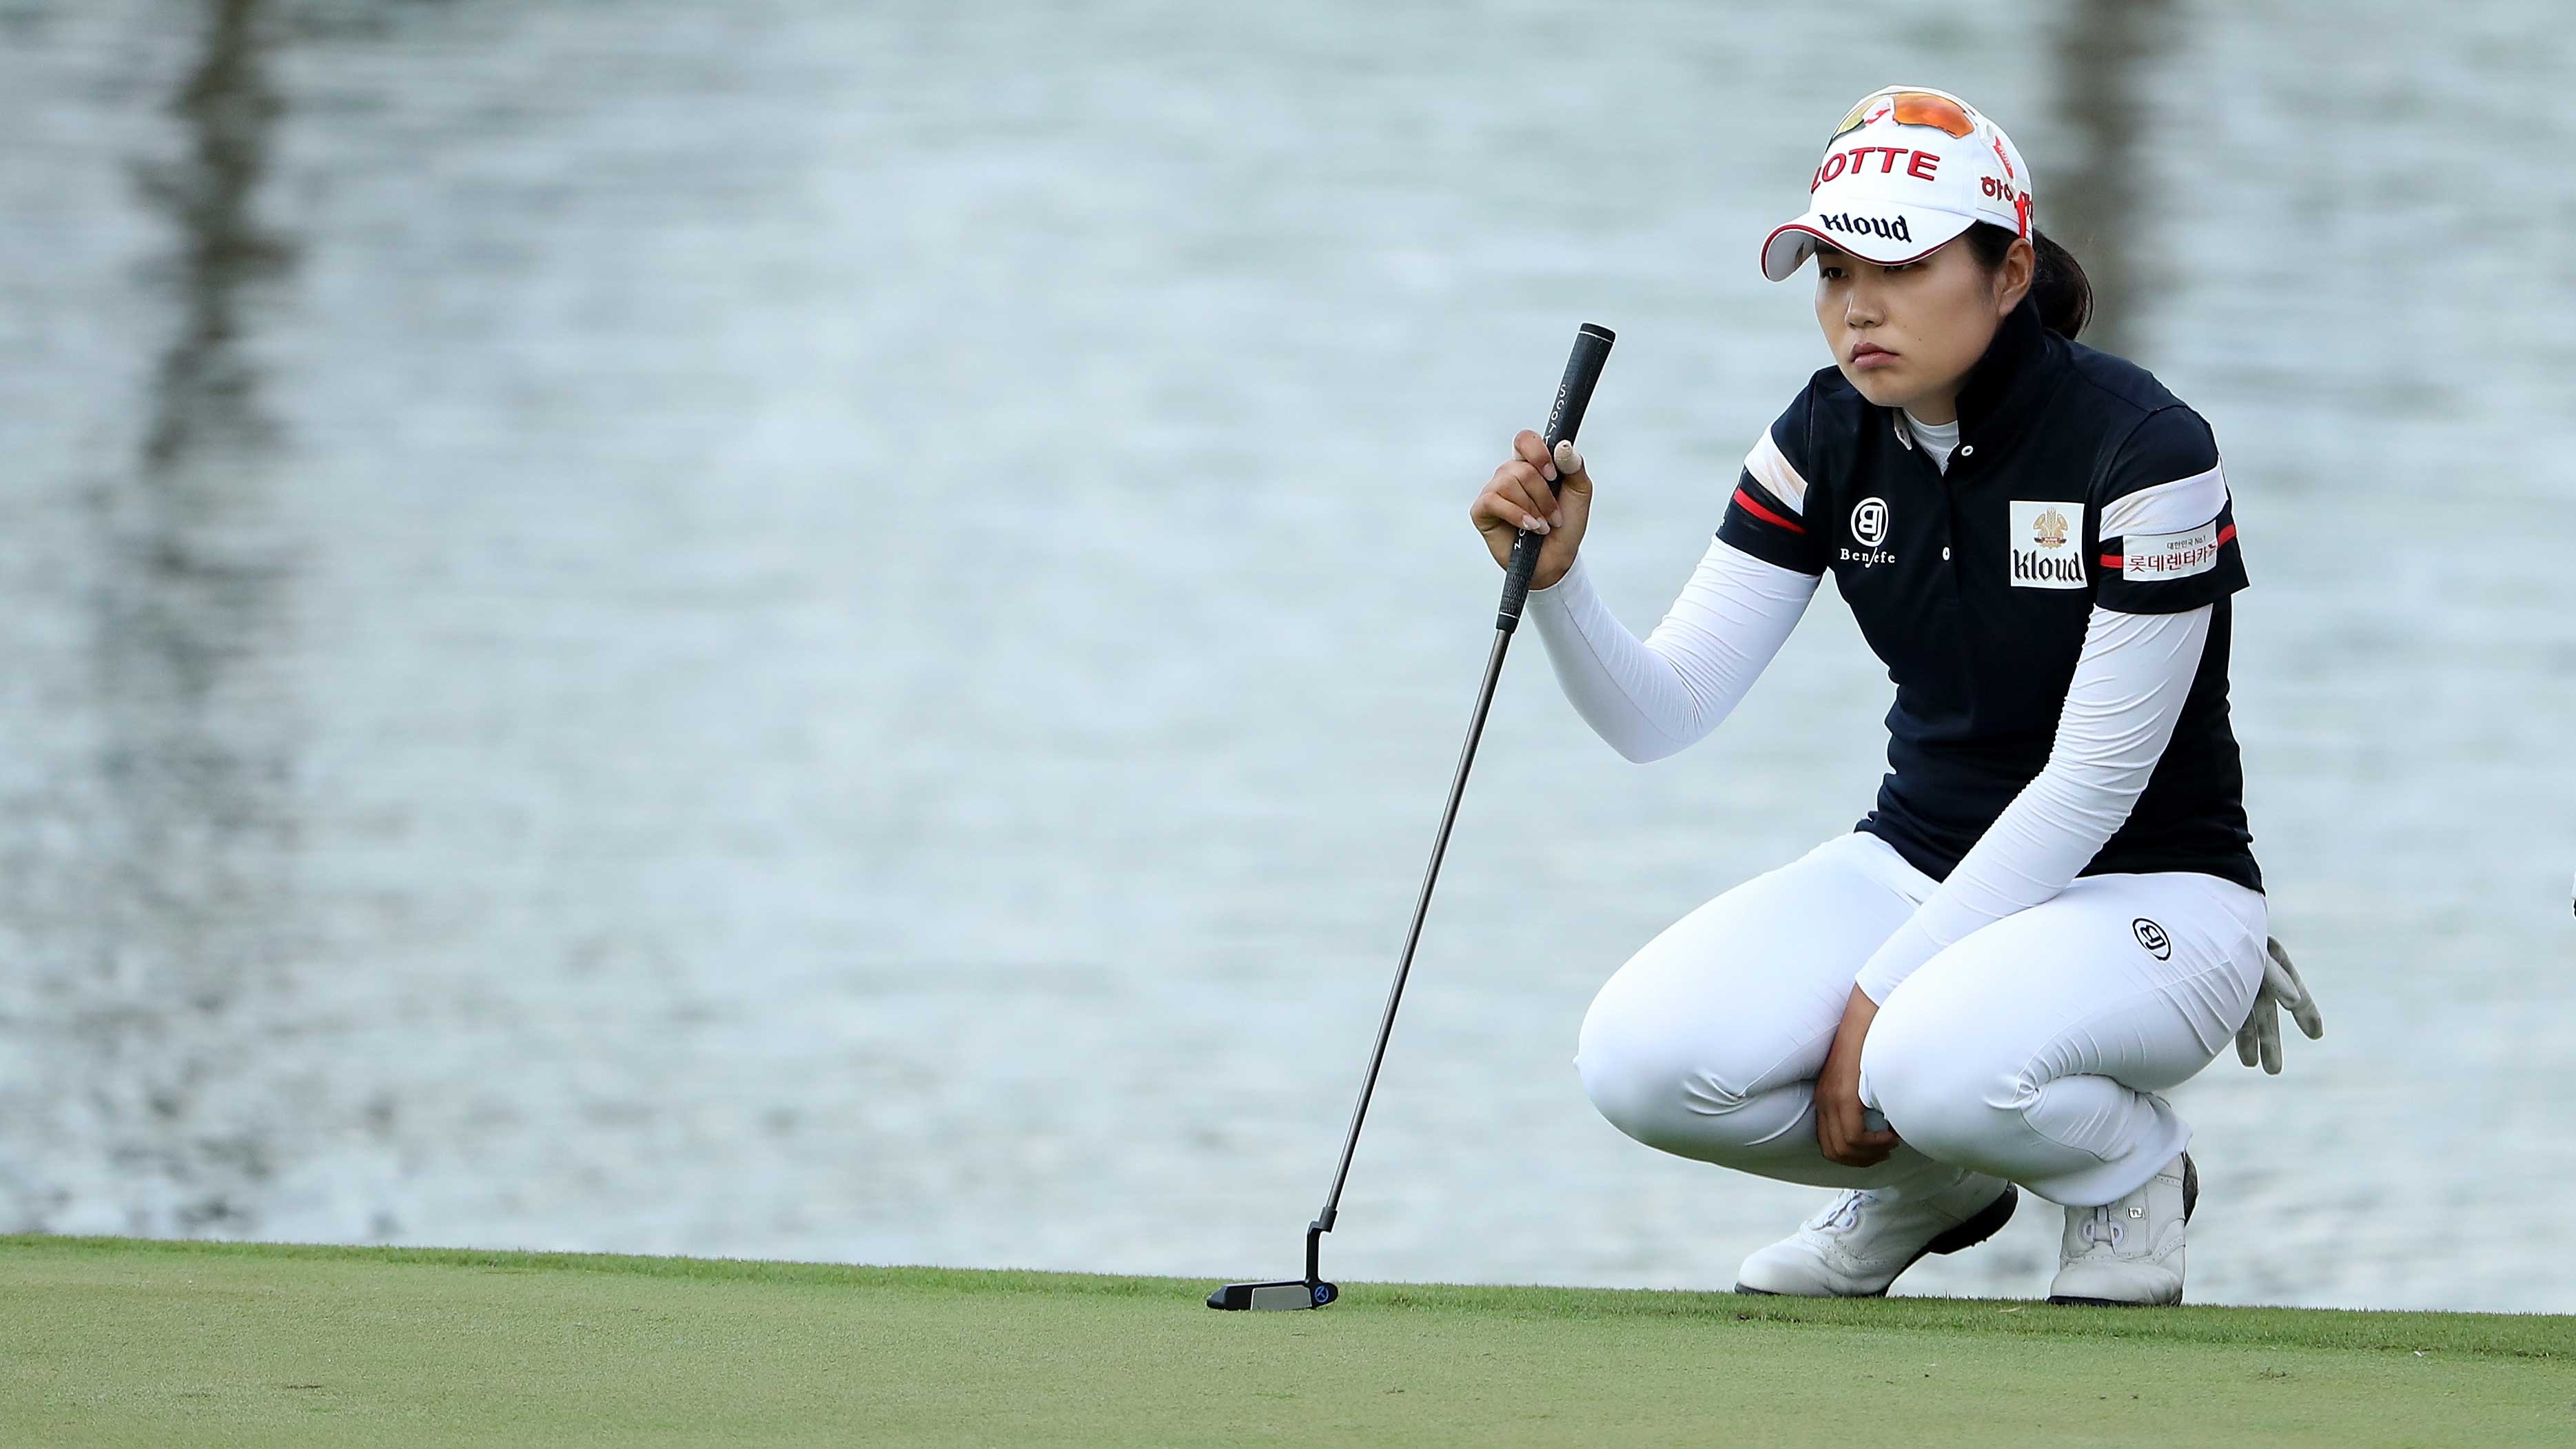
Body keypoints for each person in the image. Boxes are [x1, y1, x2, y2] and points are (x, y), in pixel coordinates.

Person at [1468, 85, 2322, 1305]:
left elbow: (2091, 783)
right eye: (1828, 267)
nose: (1853, 305)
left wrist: (1876, 997)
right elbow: (1662, 712)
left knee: (1927, 1058)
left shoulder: (2147, 450)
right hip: (1916, 859)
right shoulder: (1825, 433)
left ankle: (2129, 1166)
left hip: (2153, 891)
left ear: (2008, 270)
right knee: (1637, 1064)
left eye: (1900, 262)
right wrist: (1558, 584)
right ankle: (1939, 1184)